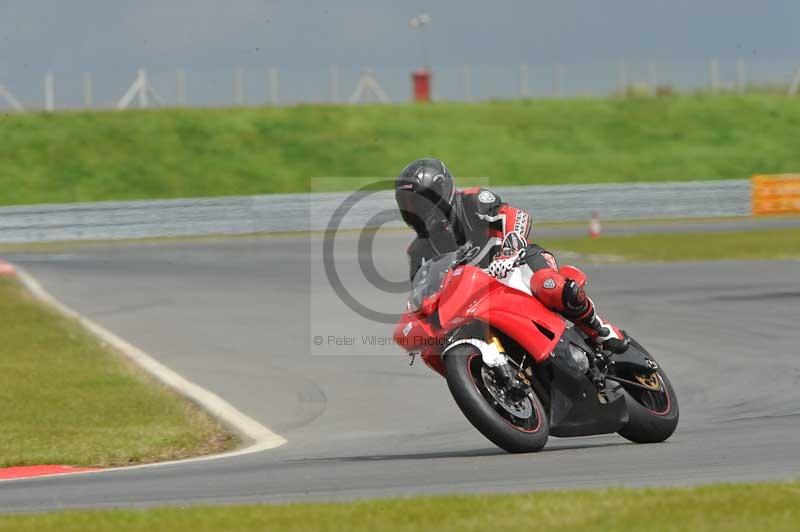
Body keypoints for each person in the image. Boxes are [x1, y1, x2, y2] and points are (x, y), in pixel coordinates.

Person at [395, 158, 628, 358]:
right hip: (477, 299)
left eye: (419, 203)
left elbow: (517, 216)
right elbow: (422, 291)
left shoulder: (472, 200)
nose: (415, 211)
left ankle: (600, 328)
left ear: (441, 192)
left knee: (551, 287)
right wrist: (415, 325)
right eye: (408, 206)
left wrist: (509, 251)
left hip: (516, 264)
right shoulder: (418, 251)